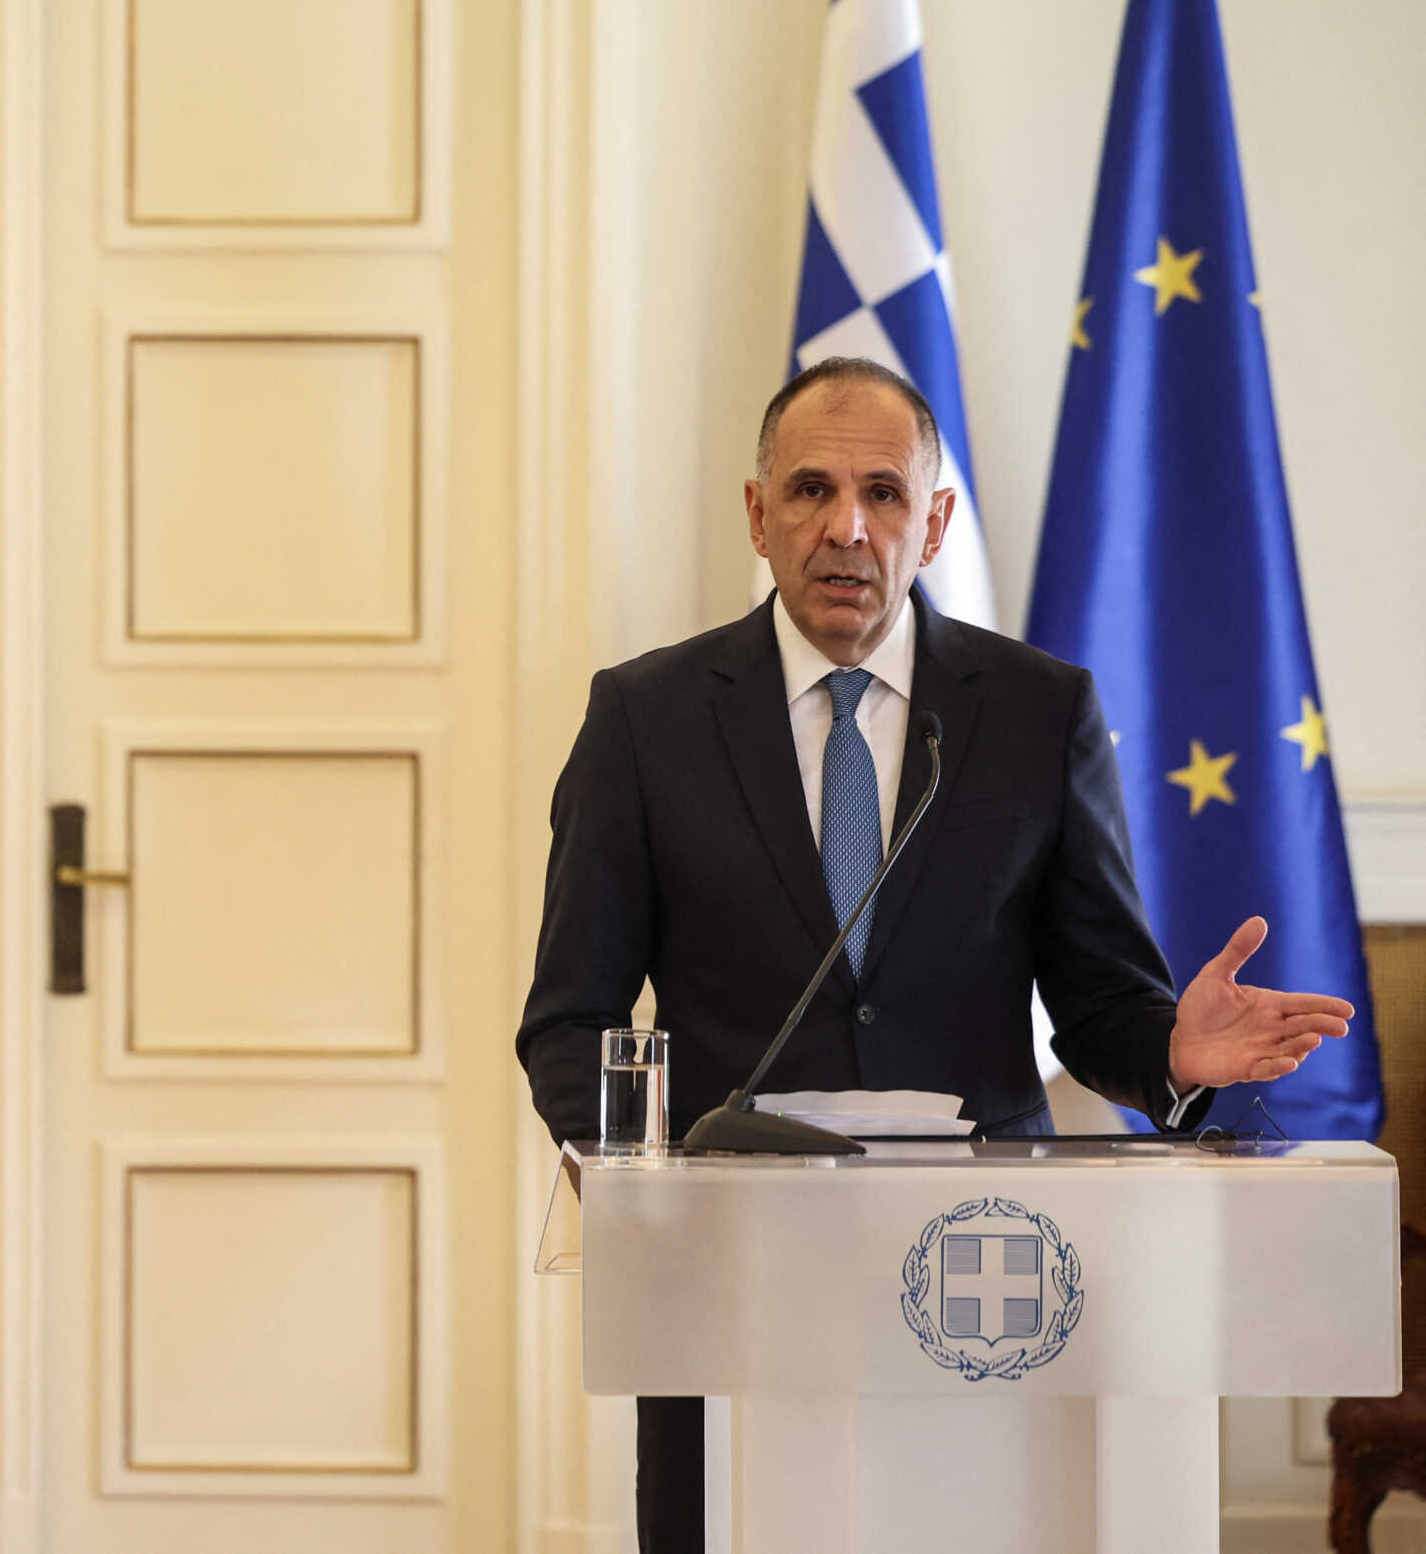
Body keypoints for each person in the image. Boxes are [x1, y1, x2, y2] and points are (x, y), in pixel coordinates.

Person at [516, 355, 1354, 1554]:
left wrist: (1174, 1050)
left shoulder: (1034, 712)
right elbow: (569, 1018)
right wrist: (643, 1188)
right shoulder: (645, 720)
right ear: (757, 515)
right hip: (731, 1281)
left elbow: (1099, 1000)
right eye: (808, 490)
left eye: (882, 494)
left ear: (936, 520)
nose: (845, 528)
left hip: (984, 1272)